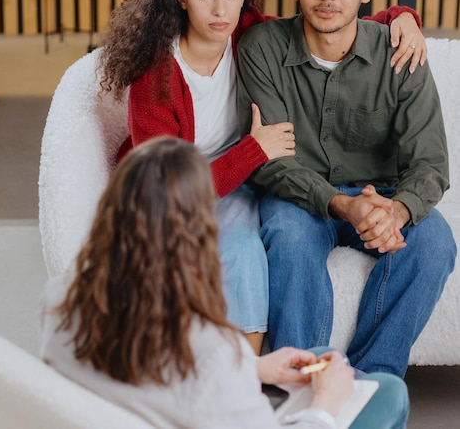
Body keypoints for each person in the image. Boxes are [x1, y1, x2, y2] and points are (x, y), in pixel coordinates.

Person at [99, 0, 425, 354]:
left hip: (233, 182)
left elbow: (328, 24)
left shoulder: (244, 31)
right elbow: (167, 191)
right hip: (170, 190)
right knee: (222, 252)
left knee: (246, 249)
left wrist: (401, 16)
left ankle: (253, 379)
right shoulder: (155, 75)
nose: (220, 10)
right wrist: (254, 150)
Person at [40, 136, 410, 429]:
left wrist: (255, 368)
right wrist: (325, 406)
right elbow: (201, 368)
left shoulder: (61, 299)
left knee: (322, 362)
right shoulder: (209, 348)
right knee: (387, 392)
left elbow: (161, 379)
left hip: (175, 408)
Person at [235, 0, 457, 378]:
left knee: (435, 240)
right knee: (288, 234)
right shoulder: (263, 49)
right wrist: (343, 205)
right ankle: (300, 382)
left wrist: (395, 211)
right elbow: (272, 161)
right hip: (298, 198)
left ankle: (370, 382)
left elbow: (431, 164)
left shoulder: (400, 52)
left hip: (383, 192)